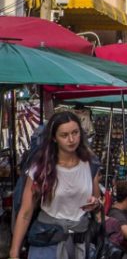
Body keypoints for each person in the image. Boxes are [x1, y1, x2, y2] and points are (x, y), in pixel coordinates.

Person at [10, 111, 101, 259]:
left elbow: (97, 203)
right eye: (64, 135)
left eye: (75, 133)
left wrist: (96, 204)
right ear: (54, 138)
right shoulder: (41, 168)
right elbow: (26, 213)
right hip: (47, 243)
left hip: (81, 243)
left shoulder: (90, 164)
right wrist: (14, 253)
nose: (71, 139)